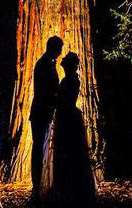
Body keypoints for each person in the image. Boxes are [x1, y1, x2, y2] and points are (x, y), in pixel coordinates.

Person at [43, 51, 96, 206]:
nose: (63, 65)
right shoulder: (69, 79)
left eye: (66, 63)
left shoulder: (72, 80)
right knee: (65, 151)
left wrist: (55, 98)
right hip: (67, 116)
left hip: (68, 117)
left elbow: (66, 99)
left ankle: (70, 187)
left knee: (69, 150)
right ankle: (66, 186)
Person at [30, 35, 63, 203]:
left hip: (44, 112)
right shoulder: (43, 65)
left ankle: (42, 184)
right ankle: (36, 186)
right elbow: (43, 91)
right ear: (54, 48)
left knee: (43, 149)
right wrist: (54, 101)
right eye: (59, 48)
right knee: (38, 149)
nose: (61, 52)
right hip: (40, 113)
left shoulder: (48, 64)